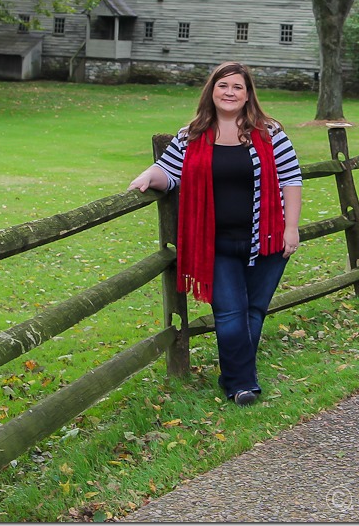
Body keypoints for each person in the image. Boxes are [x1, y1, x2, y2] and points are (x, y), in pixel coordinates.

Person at [129, 61, 302, 406]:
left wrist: (291, 228)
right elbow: (169, 171)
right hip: (214, 243)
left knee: (254, 311)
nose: (230, 92)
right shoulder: (191, 134)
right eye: (223, 86)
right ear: (211, 91)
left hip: (266, 237)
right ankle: (241, 386)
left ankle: (235, 377)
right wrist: (148, 177)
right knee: (230, 313)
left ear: (248, 94)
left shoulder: (270, 133)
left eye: (237, 87)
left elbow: (290, 178)